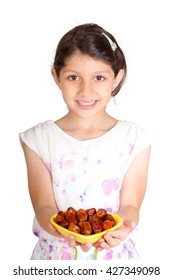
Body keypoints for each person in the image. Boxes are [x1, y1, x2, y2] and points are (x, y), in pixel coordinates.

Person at [19, 23, 152, 260]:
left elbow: (131, 204)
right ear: (56, 77)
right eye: (73, 77)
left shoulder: (135, 138)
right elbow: (43, 206)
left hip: (115, 259)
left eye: (99, 77)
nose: (85, 90)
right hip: (54, 260)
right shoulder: (38, 139)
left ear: (116, 78)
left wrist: (124, 226)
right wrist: (61, 229)